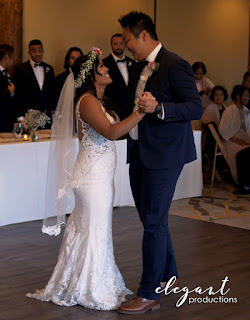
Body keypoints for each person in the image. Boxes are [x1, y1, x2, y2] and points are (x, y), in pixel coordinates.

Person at [26, 48, 147, 310]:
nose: (106, 69)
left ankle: (79, 281)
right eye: (101, 67)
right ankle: (92, 289)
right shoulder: (88, 101)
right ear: (91, 75)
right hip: (92, 179)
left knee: (91, 231)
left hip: (99, 176)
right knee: (95, 231)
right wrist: (140, 113)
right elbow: (112, 132)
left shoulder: (101, 101)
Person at [116, 11, 203, 314]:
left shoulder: (175, 64)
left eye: (126, 39)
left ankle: (149, 293)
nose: (124, 45)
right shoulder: (139, 66)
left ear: (143, 35)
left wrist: (160, 107)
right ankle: (169, 276)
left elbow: (194, 108)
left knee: (153, 221)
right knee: (152, 219)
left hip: (165, 155)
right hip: (139, 151)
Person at [14, 39, 56, 127]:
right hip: (28, 114)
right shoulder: (21, 69)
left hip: (46, 114)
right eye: (34, 51)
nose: (37, 54)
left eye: (40, 51)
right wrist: (20, 117)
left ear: (43, 51)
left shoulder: (49, 68)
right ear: (29, 52)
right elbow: (19, 94)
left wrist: (55, 112)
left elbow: (53, 92)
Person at [219, 85, 250, 195]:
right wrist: (236, 139)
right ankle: (243, 184)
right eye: (246, 96)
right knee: (242, 154)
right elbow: (223, 128)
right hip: (231, 140)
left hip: (244, 139)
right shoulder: (229, 110)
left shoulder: (246, 111)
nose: (248, 98)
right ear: (238, 97)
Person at [102, 33, 135, 120]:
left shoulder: (133, 63)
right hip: (114, 110)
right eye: (115, 44)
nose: (118, 46)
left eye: (121, 43)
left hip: (132, 111)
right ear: (111, 45)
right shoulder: (104, 64)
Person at [192, 61, 214, 130]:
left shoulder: (206, 81)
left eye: (200, 74)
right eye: (196, 74)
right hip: (193, 108)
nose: (198, 76)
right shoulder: (190, 81)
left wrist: (208, 91)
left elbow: (214, 90)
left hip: (204, 108)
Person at [0, 44, 15, 132]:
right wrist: (9, 92)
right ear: (6, 57)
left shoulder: (4, 73)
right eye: (12, 58)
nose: (12, 61)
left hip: (6, 121)